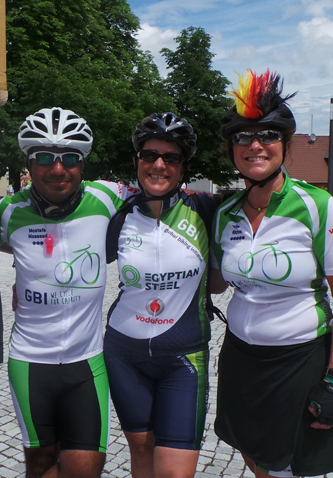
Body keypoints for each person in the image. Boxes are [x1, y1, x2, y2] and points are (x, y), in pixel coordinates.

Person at [209, 70, 333, 478]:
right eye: (243, 136)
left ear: (286, 144)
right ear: (231, 148)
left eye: (268, 135)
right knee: (250, 449)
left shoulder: (320, 208)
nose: (255, 145)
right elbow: (216, 283)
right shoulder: (225, 213)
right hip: (240, 356)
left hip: (298, 358)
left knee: (291, 465)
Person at [0, 107, 137, 478]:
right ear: (28, 163)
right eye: (44, 158)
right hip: (30, 362)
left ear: (82, 163)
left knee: (86, 469)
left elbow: (162, 195)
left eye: (70, 158)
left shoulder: (107, 197)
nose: (58, 169)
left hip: (86, 361)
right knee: (40, 462)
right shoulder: (7, 210)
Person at [103, 113, 218, 478]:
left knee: (174, 472)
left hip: (184, 357)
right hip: (124, 353)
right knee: (141, 451)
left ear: (185, 166)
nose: (158, 165)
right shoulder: (117, 213)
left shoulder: (207, 209)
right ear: (136, 159)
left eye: (171, 158)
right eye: (150, 155)